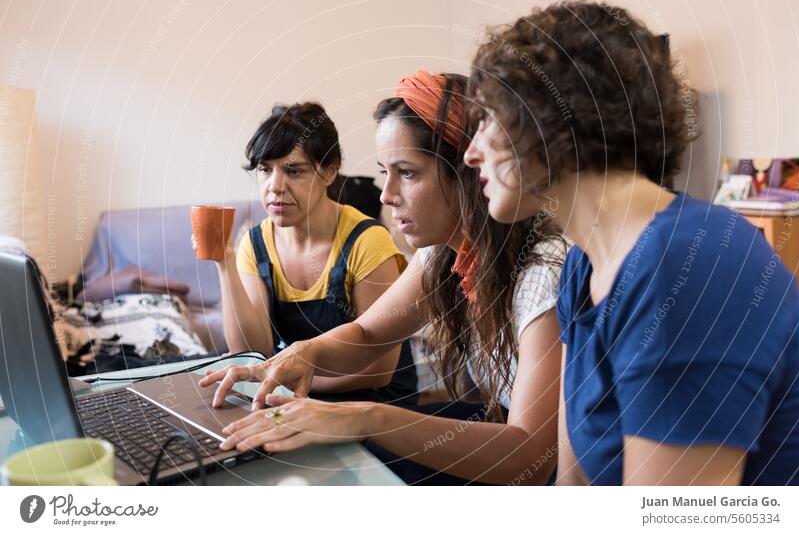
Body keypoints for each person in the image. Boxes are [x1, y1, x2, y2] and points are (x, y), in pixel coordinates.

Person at [463, 0, 799, 485]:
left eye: (486, 119)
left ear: (550, 119)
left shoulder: (690, 262)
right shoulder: (582, 267)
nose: (471, 154)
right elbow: (573, 485)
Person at [199, 71, 568, 485]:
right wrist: (303, 354)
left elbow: (531, 459)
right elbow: (369, 335)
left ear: (467, 169)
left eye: (407, 172)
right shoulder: (442, 252)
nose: (385, 195)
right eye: (385, 171)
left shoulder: (542, 272)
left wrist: (366, 416)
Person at [210, 101, 417, 404]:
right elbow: (253, 352)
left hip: (375, 402)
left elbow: (378, 371)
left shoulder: (367, 240)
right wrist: (225, 262)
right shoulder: (255, 244)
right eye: (265, 170)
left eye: (294, 171)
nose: (275, 186)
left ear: (330, 171)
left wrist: (284, 381)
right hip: (296, 394)